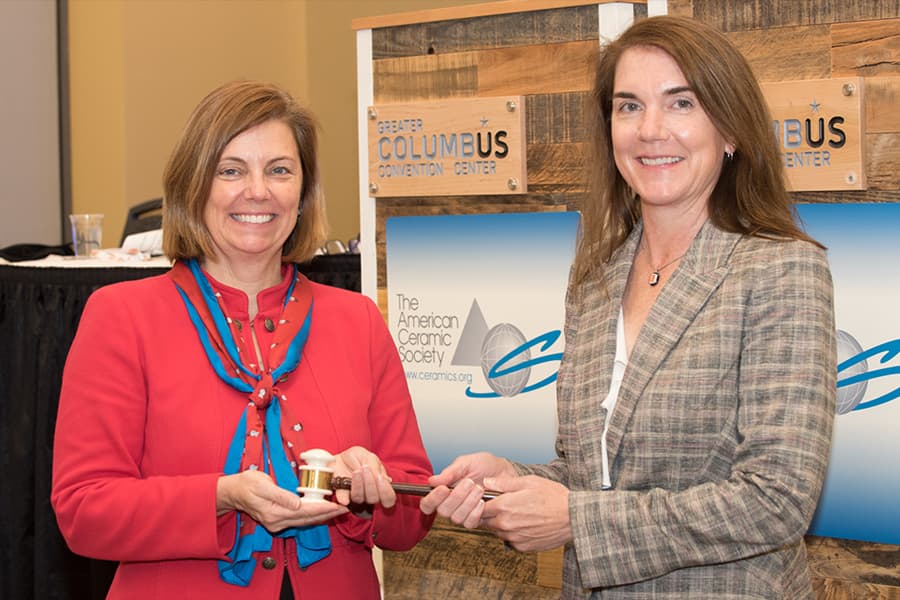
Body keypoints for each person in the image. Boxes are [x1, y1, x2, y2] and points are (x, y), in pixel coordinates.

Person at [420, 15, 836, 599]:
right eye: (629, 106)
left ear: (731, 130)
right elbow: (594, 476)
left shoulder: (779, 270)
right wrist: (513, 479)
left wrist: (577, 519)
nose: (651, 130)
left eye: (681, 103)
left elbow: (776, 498)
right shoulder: (595, 277)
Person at [52, 80, 433, 600]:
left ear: (303, 193)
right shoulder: (122, 317)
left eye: (279, 170)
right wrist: (220, 496)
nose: (258, 191)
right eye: (231, 170)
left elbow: (412, 511)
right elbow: (84, 509)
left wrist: (364, 494)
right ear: (193, 186)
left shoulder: (357, 320)